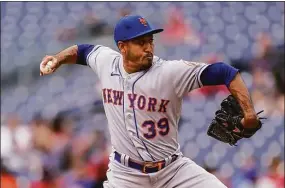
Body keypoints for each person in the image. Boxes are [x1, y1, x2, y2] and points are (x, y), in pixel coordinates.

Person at [40, 15, 260, 188]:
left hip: (173, 170)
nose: (148, 47)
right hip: (126, 175)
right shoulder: (106, 62)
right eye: (140, 42)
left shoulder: (169, 72)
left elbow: (224, 71)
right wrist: (57, 59)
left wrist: (248, 112)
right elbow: (83, 51)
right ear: (122, 47)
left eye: (150, 41)